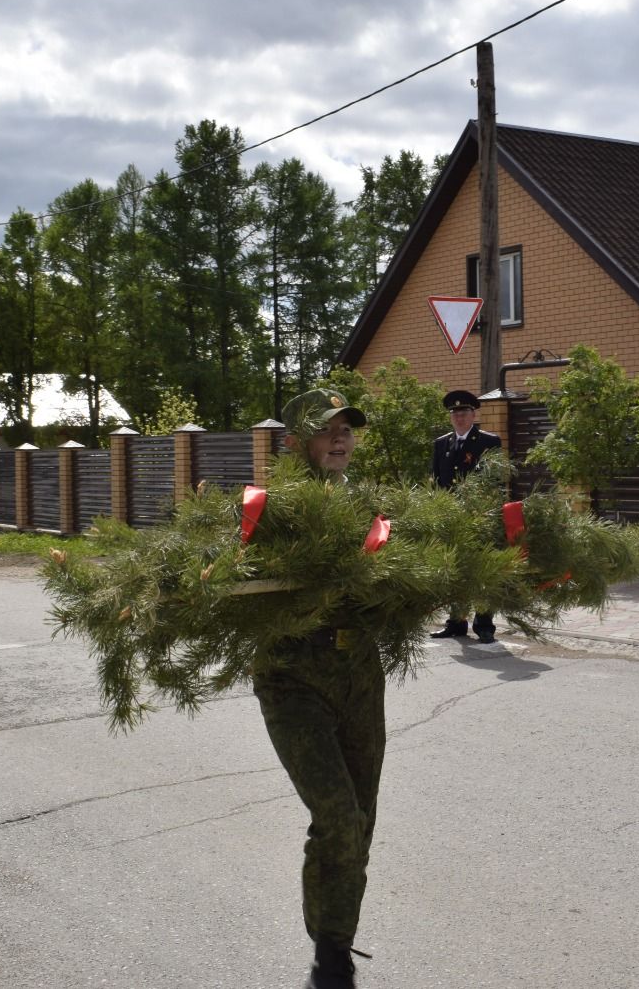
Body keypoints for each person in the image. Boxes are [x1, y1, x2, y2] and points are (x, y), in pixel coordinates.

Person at [253, 388, 379, 989]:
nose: (340, 438)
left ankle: (338, 940)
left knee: (362, 820)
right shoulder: (269, 508)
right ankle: (329, 957)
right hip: (293, 678)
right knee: (336, 812)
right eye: (328, 430)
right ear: (295, 441)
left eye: (347, 429)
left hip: (360, 677)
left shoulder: (371, 509)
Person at [430, 389, 503, 643]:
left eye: (464, 412)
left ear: (473, 415)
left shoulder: (488, 442)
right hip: (452, 518)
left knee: (482, 570)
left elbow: (494, 481)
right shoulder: (441, 444)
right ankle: (456, 622)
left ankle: (484, 625)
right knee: (456, 570)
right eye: (455, 413)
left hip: (479, 516)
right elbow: (437, 483)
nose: (459, 417)